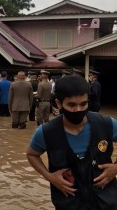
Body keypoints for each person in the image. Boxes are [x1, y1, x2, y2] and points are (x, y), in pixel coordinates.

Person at [26, 75, 117, 210]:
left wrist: (115, 169)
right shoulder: (46, 132)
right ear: (58, 103)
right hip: (68, 203)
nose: (78, 110)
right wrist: (50, 177)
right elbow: (32, 154)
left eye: (83, 104)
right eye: (72, 105)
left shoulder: (106, 124)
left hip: (105, 201)